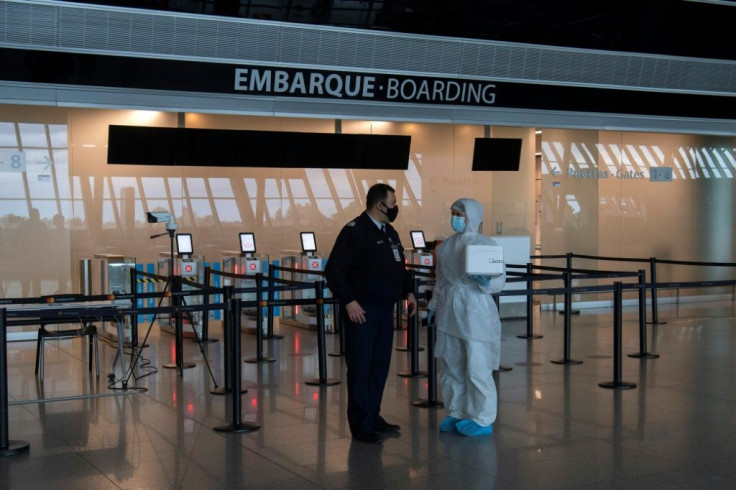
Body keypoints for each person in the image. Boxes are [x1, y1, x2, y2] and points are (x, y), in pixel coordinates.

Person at [325, 183, 417, 443]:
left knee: (379, 368)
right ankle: (360, 424)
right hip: (362, 313)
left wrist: (409, 292)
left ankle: (372, 416)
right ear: (380, 205)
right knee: (360, 369)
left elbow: (400, 267)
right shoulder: (354, 231)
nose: (395, 207)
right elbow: (334, 271)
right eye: (393, 203)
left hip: (385, 311)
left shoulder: (390, 232)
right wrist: (349, 301)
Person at [427, 198, 506, 436]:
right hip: (450, 311)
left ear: (472, 216)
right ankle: (456, 411)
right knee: (452, 365)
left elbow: (499, 279)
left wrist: (487, 281)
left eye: (459, 213)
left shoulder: (486, 243)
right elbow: (441, 281)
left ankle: (482, 418)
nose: (455, 218)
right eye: (453, 213)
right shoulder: (445, 246)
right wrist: (433, 305)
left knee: (477, 365)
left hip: (476, 312)